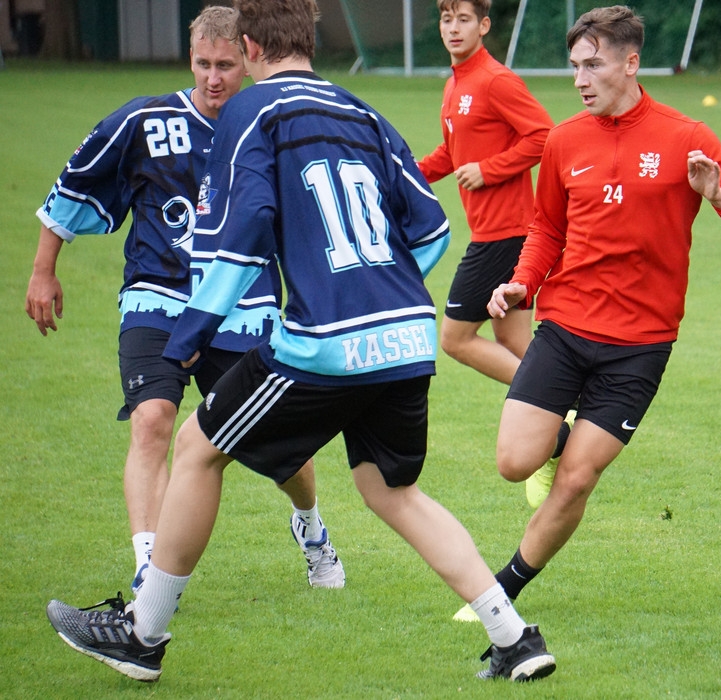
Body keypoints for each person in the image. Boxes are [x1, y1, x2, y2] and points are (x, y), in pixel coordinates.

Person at [45, 0, 555, 684]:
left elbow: (239, 240)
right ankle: (514, 636)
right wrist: (380, 297)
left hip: (327, 341)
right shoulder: (362, 112)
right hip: (406, 337)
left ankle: (142, 634)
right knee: (390, 491)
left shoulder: (250, 115)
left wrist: (189, 338)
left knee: (197, 447)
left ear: (251, 45)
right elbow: (431, 231)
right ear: (309, 40)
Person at [25, 6, 341, 593]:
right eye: (203, 64)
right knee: (152, 421)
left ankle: (312, 529)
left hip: (244, 307)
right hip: (157, 298)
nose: (214, 77)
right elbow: (74, 184)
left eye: (226, 65)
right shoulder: (146, 120)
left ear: (248, 60)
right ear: (189, 58)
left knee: (280, 446)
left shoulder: (271, 126)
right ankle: (150, 567)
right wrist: (44, 272)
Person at [478, 5, 721, 612]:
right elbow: (546, 230)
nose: (580, 79)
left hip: (639, 345)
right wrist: (520, 283)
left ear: (631, 62)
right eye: (574, 67)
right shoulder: (564, 140)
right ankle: (560, 438)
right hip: (563, 328)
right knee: (513, 462)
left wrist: (718, 195)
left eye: (593, 65)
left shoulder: (687, 138)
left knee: (577, 480)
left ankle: (500, 595)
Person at [417, 0, 563, 513]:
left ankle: (551, 416)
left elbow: (546, 136)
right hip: (504, 234)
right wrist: (405, 176)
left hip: (505, 235)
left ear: (484, 25)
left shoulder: (496, 80)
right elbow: (453, 155)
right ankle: (564, 423)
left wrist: (492, 169)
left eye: (463, 19)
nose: (452, 28)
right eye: (445, 19)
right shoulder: (455, 83)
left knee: (455, 338)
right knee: (513, 339)